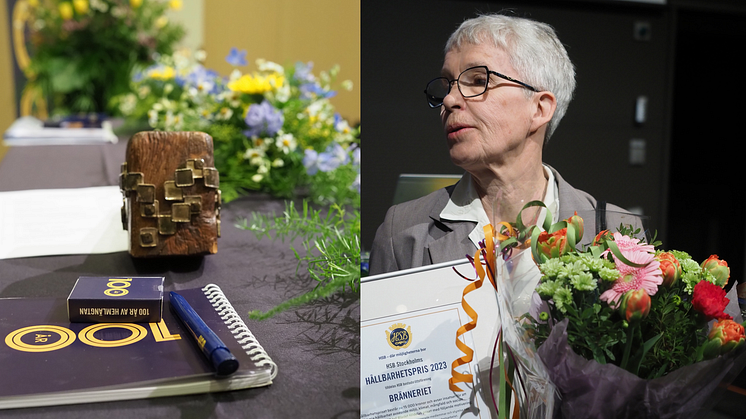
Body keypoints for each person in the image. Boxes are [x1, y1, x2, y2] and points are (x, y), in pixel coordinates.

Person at [369, 13, 634, 275]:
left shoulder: (617, 230)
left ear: (539, 109)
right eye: (448, 85)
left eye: (478, 81)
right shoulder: (401, 233)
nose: (449, 100)